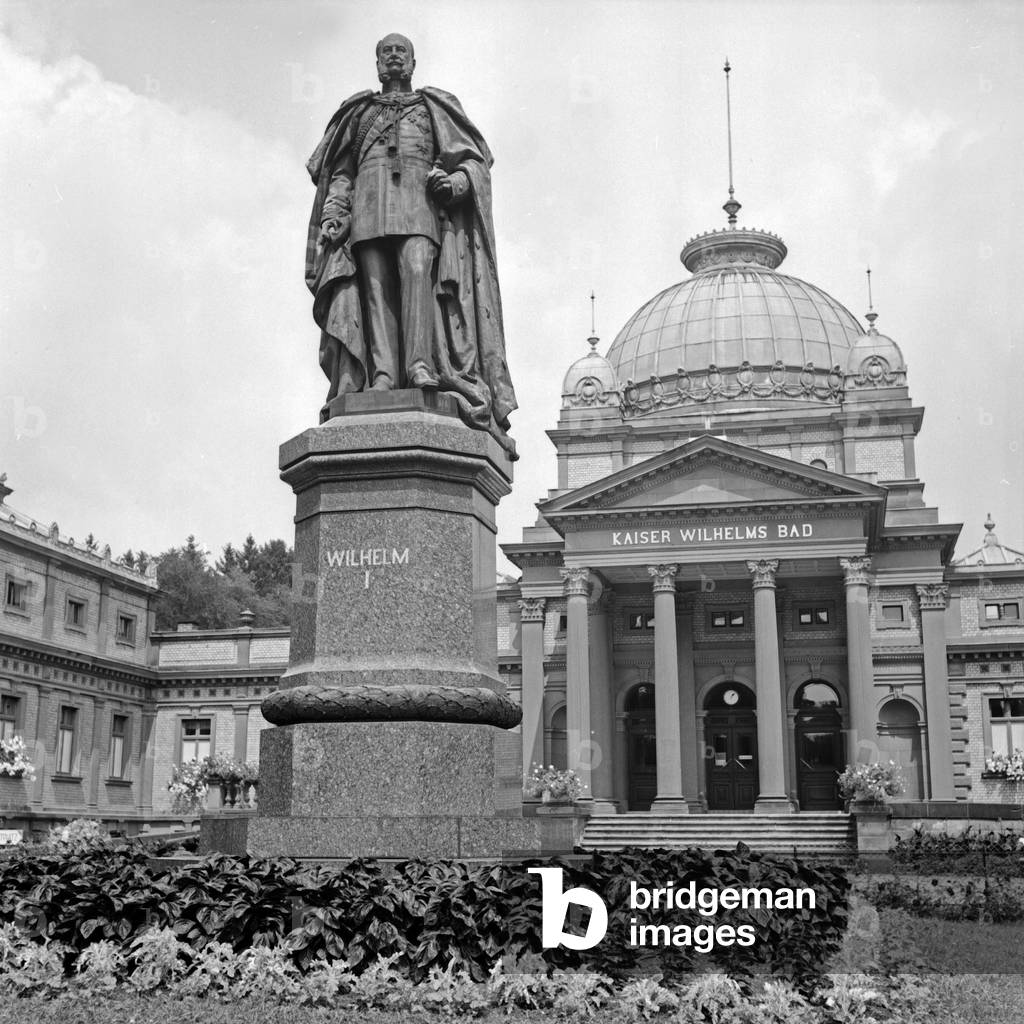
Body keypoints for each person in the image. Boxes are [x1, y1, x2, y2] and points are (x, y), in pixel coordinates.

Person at [305, 33, 517, 456]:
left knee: (418, 275)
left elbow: (474, 161)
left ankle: (420, 365)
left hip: (419, 211)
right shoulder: (360, 114)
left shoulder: (433, 108)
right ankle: (382, 374)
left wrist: (456, 183)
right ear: (378, 64)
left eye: (401, 51)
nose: (394, 57)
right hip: (367, 214)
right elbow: (341, 173)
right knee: (375, 291)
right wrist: (334, 213)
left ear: (414, 62)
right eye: (386, 52)